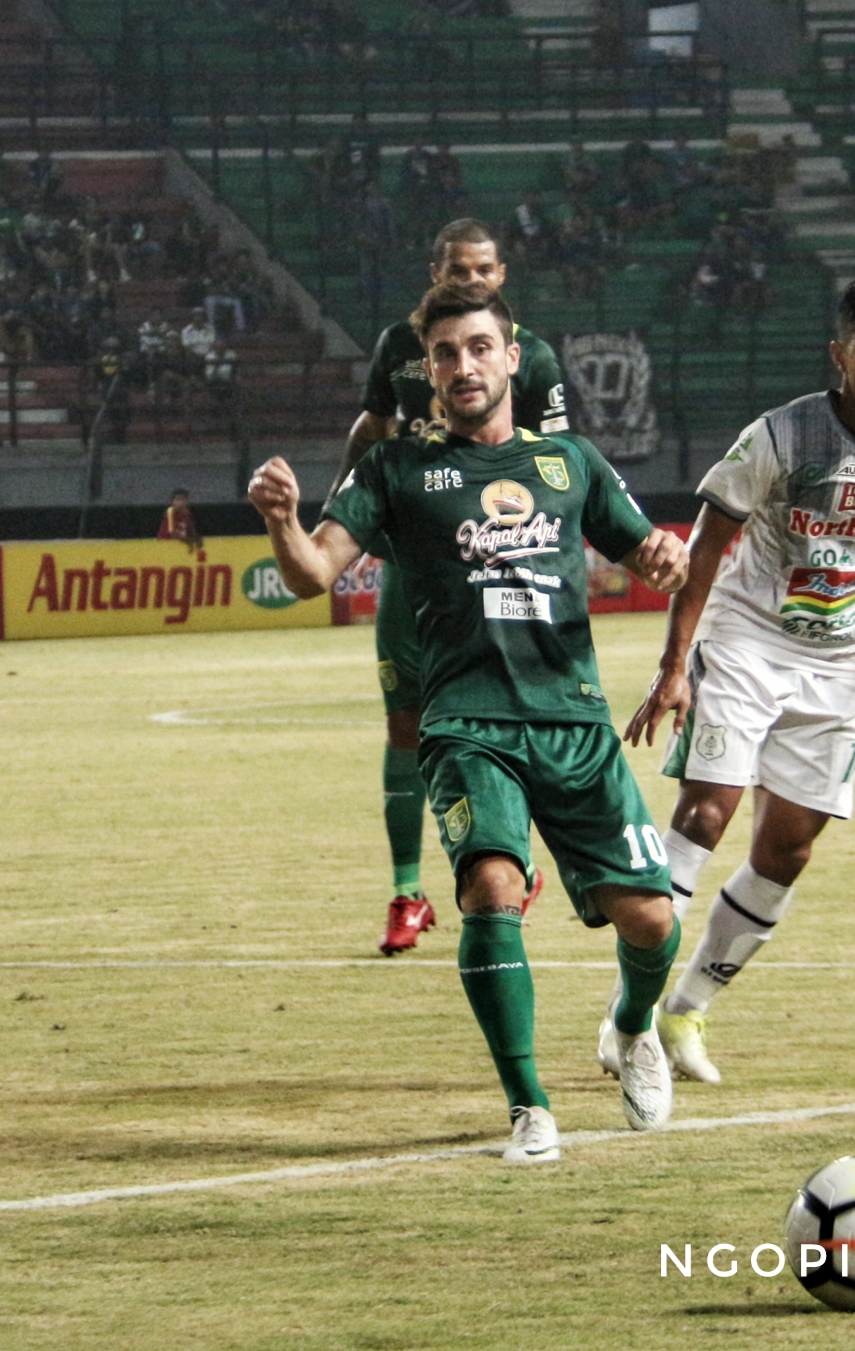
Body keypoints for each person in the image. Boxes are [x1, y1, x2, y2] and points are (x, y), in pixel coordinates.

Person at [249, 281, 689, 1163]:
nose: (462, 367)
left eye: (479, 348)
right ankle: (529, 1107)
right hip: (465, 725)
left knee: (651, 920)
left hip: (571, 720)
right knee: (491, 890)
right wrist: (282, 521)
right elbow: (311, 573)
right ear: (430, 370)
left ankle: (631, 1025)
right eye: (445, 354)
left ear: (511, 357)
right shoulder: (394, 473)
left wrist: (662, 557)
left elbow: (642, 548)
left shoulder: (570, 464)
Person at [626, 272, 855, 1086]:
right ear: (839, 354)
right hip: (746, 638)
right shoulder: (781, 437)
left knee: (789, 847)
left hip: (835, 661)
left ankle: (685, 1009)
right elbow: (707, 541)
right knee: (708, 812)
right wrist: (675, 665)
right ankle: (629, 1017)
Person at [333, 218, 570, 956]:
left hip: (496, 559)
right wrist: (339, 513)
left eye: (484, 269)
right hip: (415, 558)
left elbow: (559, 461)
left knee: (513, 715)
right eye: (457, 268)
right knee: (404, 723)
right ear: (433, 270)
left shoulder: (528, 356)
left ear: (501, 276)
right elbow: (371, 428)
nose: (471, 280)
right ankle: (408, 892)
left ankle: (512, 860)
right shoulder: (399, 348)